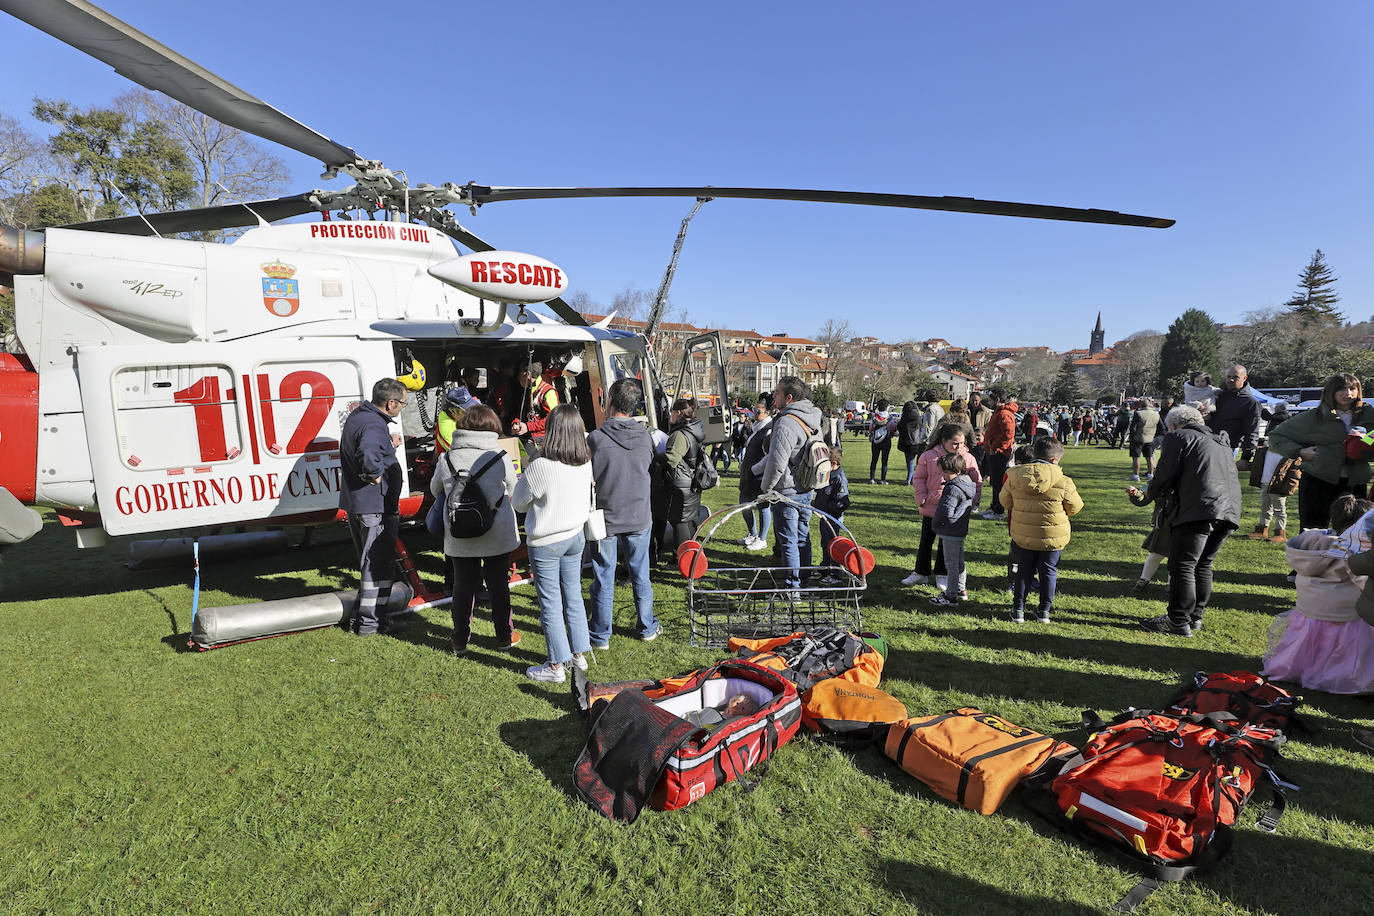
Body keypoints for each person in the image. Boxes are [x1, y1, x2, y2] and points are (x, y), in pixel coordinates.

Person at [1129, 405, 1242, 636]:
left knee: (1183, 565)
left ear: (1172, 425)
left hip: (1198, 508)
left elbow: (1164, 474)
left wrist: (1149, 494)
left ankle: (1177, 620)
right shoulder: (1220, 442)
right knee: (1203, 564)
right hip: (1228, 510)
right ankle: (1194, 617)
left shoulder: (1178, 437)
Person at [511, 404, 595, 683]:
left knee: (550, 602)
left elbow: (519, 503)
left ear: (551, 431)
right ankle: (579, 654)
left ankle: (556, 665)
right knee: (572, 595)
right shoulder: (584, 460)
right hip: (575, 536)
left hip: (546, 541)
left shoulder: (539, 466)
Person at [430, 405, 520, 655]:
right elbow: (513, 490)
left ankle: (459, 640)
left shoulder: (446, 457)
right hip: (496, 533)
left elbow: (435, 490)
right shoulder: (500, 455)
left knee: (463, 586)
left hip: (460, 532)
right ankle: (504, 636)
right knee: (498, 585)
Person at [1262, 496, 1374, 693]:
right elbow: (1364, 584)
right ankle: (1338, 674)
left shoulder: (1311, 542)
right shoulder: (1354, 552)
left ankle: (1301, 668)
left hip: (1308, 613)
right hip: (1345, 617)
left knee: (1311, 643)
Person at [587, 378, 661, 646]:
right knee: (640, 574)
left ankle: (601, 634)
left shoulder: (596, 439)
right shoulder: (646, 437)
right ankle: (645, 627)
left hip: (608, 516)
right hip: (637, 514)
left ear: (610, 402)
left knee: (604, 576)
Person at [339, 378, 408, 637]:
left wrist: (388, 445)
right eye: (402, 403)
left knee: (371, 562)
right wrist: (373, 474)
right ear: (390, 403)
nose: (402, 407)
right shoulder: (373, 425)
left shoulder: (361, 417)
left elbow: (367, 446)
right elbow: (368, 454)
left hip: (362, 504)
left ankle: (371, 618)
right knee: (376, 564)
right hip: (375, 506)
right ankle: (370, 624)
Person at [1267, 373, 1374, 532]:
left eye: (1352, 388)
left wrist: (1365, 446)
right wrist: (1300, 451)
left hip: (1355, 481)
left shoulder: (1368, 415)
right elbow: (1276, 437)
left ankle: (1346, 558)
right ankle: (1311, 557)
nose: (1348, 393)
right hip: (1318, 480)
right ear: (1331, 392)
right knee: (1313, 530)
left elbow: (1372, 438)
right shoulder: (1313, 417)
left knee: (1355, 532)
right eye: (1342, 389)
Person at [1001, 436, 1083, 623]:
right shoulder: (1064, 481)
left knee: (1023, 571)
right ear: (1054, 459)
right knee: (1048, 572)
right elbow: (1075, 508)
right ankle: (1044, 610)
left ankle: (1018, 609)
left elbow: (1005, 502)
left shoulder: (1015, 476)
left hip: (1024, 535)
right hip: (1052, 537)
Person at [759, 376, 823, 590]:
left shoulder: (786, 422)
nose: (773, 397)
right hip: (806, 488)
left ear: (788, 398)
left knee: (789, 541)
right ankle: (804, 582)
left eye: (776, 393)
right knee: (803, 538)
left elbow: (776, 463)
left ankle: (792, 588)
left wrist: (765, 490)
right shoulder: (813, 417)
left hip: (787, 492)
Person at [904, 422, 983, 590]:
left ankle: (942, 573)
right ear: (943, 440)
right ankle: (921, 572)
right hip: (931, 506)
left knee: (945, 543)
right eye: (955, 443)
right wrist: (922, 498)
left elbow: (977, 481)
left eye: (962, 443)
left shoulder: (968, 458)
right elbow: (918, 478)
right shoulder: (929, 456)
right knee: (926, 540)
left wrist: (973, 500)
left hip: (955, 510)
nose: (959, 446)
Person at [930, 451, 976, 607]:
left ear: (954, 471)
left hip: (950, 531)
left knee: (951, 564)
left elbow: (946, 512)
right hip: (960, 530)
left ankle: (951, 596)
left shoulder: (953, 489)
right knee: (959, 561)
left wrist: (936, 524)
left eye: (944, 472)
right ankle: (961, 590)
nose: (942, 475)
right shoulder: (966, 483)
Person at [663, 398, 707, 552]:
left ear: (678, 412)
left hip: (681, 484)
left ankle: (685, 558)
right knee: (688, 521)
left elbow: (671, 459)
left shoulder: (681, 434)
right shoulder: (694, 429)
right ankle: (691, 556)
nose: (670, 415)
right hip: (692, 482)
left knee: (679, 522)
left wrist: (656, 457)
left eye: (671, 412)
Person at [1248, 401, 1292, 542]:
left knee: (1279, 509)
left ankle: (1280, 532)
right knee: (1265, 507)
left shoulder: (1284, 417)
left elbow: (1293, 473)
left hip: (1277, 484)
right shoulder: (1265, 452)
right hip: (1265, 482)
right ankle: (1262, 529)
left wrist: (1260, 408)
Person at [1205, 364, 1262, 466]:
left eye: (1235, 377)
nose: (1230, 380)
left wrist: (1246, 457)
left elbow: (1252, 431)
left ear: (1244, 378)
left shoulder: (1250, 402)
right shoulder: (1219, 396)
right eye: (1228, 377)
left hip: (1229, 448)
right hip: (1208, 444)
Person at [738, 397, 774, 551]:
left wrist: (754, 470)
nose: (754, 414)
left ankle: (762, 538)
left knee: (763, 506)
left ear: (767, 413)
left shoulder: (769, 430)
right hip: (748, 475)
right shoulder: (757, 426)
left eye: (758, 411)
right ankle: (752, 534)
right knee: (744, 504)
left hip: (759, 476)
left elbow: (768, 457)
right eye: (754, 410)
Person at [813, 444, 851, 584]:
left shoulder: (839, 479)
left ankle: (835, 573)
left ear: (833, 463)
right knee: (824, 542)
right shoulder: (827, 475)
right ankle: (825, 567)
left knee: (833, 544)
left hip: (832, 518)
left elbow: (843, 502)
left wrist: (829, 509)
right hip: (823, 516)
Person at [980, 391, 1017, 521]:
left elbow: (1008, 433)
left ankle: (998, 510)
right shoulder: (999, 412)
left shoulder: (1004, 413)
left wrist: (994, 446)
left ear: (998, 399)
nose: (989, 402)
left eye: (991, 400)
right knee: (995, 482)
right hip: (995, 451)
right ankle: (994, 506)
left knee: (998, 482)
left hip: (999, 452)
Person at [509, 361, 561, 439]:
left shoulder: (548, 392)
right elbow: (523, 412)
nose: (518, 377)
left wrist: (528, 427)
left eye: (520, 373)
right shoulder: (527, 390)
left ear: (527, 375)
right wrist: (516, 422)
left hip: (544, 438)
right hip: (530, 434)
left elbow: (554, 419)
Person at [434, 385, 481, 454]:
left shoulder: (458, 416)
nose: (471, 413)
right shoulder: (446, 429)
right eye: (466, 411)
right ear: (452, 411)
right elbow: (464, 453)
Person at [1128, 398, 1161, 480]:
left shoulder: (1138, 413)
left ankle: (1135, 476)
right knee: (1149, 457)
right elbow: (1161, 427)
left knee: (1136, 457)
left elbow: (1133, 427)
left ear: (1141, 405)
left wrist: (1132, 437)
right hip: (1150, 438)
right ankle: (1151, 475)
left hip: (1138, 438)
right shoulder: (1156, 414)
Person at [868, 398, 896, 484]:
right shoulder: (890, 417)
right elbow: (893, 428)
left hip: (875, 440)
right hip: (886, 439)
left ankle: (872, 478)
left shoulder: (874, 417)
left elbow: (871, 428)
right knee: (884, 460)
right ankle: (883, 479)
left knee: (874, 459)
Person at [896, 400, 924, 484]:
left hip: (906, 442)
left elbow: (899, 427)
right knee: (917, 463)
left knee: (909, 462)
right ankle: (913, 479)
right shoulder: (918, 417)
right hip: (917, 442)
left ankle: (909, 479)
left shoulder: (904, 417)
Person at [967, 393, 992, 463]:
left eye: (976, 400)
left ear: (980, 400)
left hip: (980, 441)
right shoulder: (965, 410)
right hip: (968, 440)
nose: (974, 402)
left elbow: (989, 426)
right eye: (972, 400)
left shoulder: (986, 411)